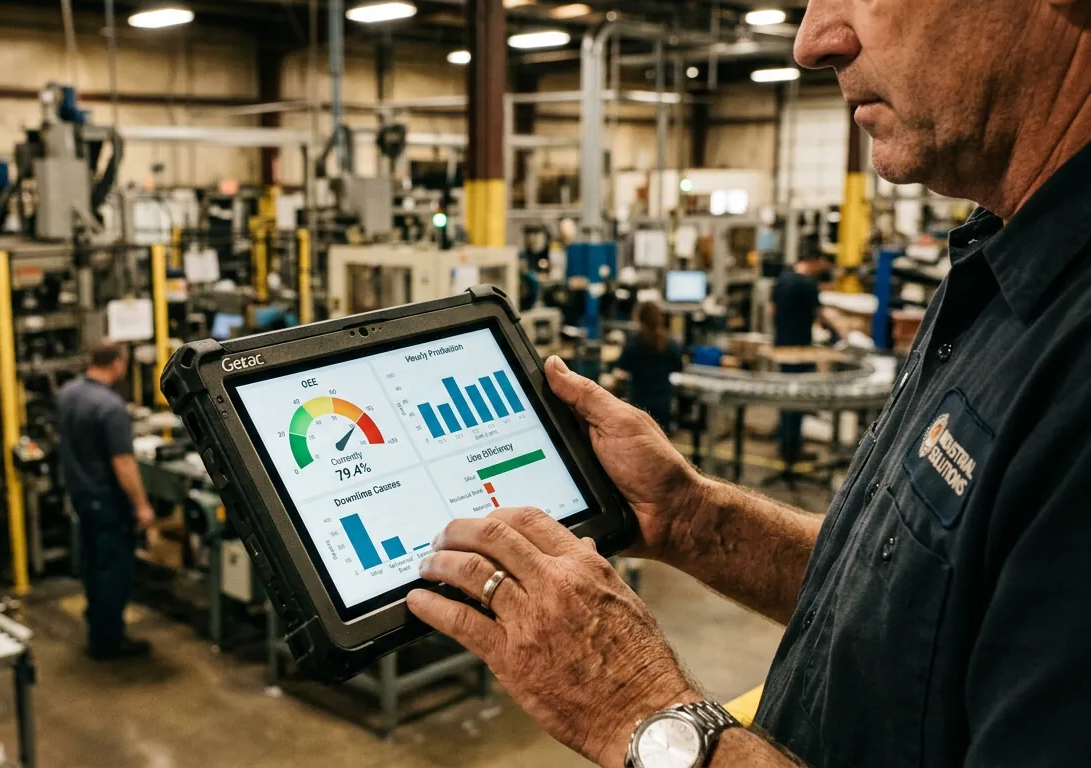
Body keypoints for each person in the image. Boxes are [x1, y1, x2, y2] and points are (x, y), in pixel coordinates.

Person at [406, 0, 1091, 765]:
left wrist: (639, 711)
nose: (812, 41)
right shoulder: (999, 269)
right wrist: (691, 517)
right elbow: (919, 605)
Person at [56, 342, 155, 660]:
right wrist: (141, 504)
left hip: (82, 496)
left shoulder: (68, 394)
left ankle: (97, 622)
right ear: (117, 363)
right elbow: (124, 463)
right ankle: (109, 639)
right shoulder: (110, 407)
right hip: (108, 501)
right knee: (114, 569)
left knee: (93, 564)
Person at [770, 252, 827, 466]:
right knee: (799, 397)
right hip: (801, 349)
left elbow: (771, 310)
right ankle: (792, 448)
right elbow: (819, 315)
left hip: (782, 347)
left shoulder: (781, 279)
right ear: (813, 262)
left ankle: (784, 441)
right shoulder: (808, 284)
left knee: (786, 395)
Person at [613, 302, 682, 432]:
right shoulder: (670, 344)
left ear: (639, 319)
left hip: (640, 403)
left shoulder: (633, 345)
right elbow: (679, 366)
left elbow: (621, 369)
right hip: (663, 402)